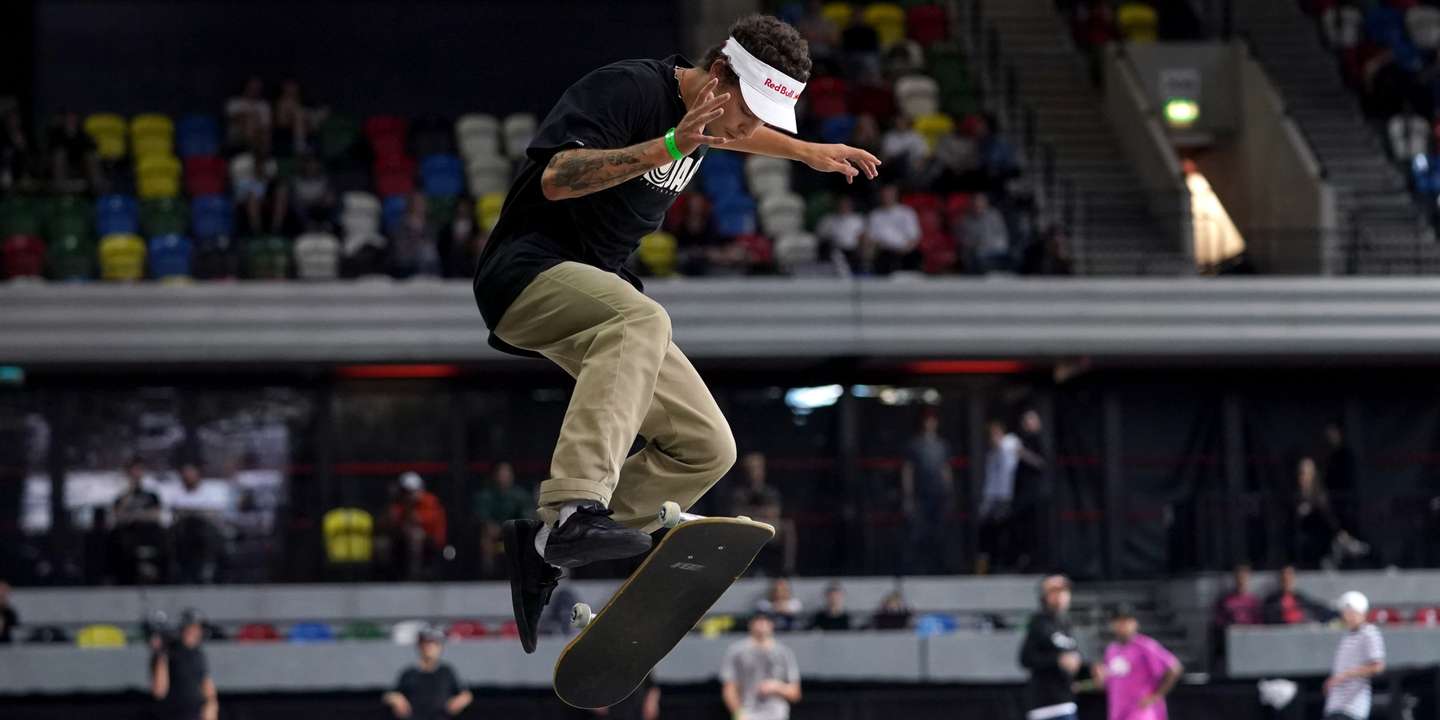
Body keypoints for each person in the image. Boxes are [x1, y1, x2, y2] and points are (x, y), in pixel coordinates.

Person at [482, 14, 879, 654]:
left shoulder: (709, 116)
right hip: (529, 272)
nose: (742, 134)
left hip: (598, 298)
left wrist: (805, 151)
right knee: (643, 316)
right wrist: (667, 146)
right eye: (742, 117)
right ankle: (573, 508)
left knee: (705, 448)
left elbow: (733, 134)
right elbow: (557, 178)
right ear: (718, 75)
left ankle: (543, 551)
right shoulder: (630, 90)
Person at [1020, 574, 1090, 720]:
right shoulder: (1039, 622)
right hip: (1045, 704)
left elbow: (1072, 660)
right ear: (1045, 595)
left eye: (1064, 592)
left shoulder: (1066, 624)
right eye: (1055, 591)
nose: (1060, 596)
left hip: (1065, 701)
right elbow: (1025, 658)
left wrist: (1088, 671)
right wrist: (1057, 660)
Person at [1095, 604, 1182, 720]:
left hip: (1141, 713)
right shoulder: (1111, 649)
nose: (1122, 625)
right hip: (1118, 712)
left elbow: (1174, 668)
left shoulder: (1145, 645)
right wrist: (1100, 679)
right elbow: (1109, 682)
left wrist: (1156, 696)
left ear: (1135, 623)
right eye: (1118, 621)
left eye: (1126, 621)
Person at [900, 410, 955, 574]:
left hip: (938, 494)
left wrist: (950, 491)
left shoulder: (942, 445)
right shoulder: (914, 444)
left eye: (932, 421)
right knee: (918, 531)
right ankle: (917, 566)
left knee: (939, 531)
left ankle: (938, 565)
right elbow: (907, 470)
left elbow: (946, 469)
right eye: (927, 421)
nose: (929, 424)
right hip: (920, 494)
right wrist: (908, 495)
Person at [721, 613, 802, 720]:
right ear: (750, 625)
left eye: (765, 621)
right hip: (748, 714)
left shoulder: (784, 653)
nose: (762, 625)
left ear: (771, 625)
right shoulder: (737, 652)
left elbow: (795, 693)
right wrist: (738, 714)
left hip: (777, 715)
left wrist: (777, 687)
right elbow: (729, 689)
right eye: (758, 621)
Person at [382, 626, 473, 720]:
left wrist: (461, 700)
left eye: (434, 643)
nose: (430, 647)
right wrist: (396, 698)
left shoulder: (447, 672)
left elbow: (465, 694)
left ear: (440, 647)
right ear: (419, 646)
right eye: (426, 643)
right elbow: (389, 695)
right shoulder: (409, 673)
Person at [1324, 591, 1386, 720]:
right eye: (1345, 612)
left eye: (1350, 612)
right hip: (1336, 705)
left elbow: (1377, 666)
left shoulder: (1369, 633)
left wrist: (1345, 675)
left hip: (1352, 707)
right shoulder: (1347, 636)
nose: (1347, 616)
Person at [731, 452, 795, 576]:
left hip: (767, 524)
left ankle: (788, 569)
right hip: (746, 526)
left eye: (757, 468)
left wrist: (754, 511)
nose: (754, 473)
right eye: (751, 469)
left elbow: (775, 512)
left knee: (788, 526)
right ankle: (740, 571)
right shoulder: (739, 491)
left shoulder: (770, 491)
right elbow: (735, 513)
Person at [150, 609, 218, 720]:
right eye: (191, 627)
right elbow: (159, 691)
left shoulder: (198, 654)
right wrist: (161, 655)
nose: (195, 631)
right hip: (172, 714)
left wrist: (211, 705)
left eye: (197, 628)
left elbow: (206, 684)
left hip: (196, 714)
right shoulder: (169, 652)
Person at [111, 457, 168, 584]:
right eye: (133, 471)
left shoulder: (151, 495)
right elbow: (118, 516)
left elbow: (156, 514)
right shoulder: (122, 497)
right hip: (129, 531)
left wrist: (135, 515)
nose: (136, 474)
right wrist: (129, 495)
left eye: (139, 470)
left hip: (149, 531)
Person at [474, 461, 534, 578]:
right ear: (495, 476)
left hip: (514, 531)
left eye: (507, 473)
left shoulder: (520, 495)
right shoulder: (486, 495)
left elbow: (527, 515)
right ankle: (488, 571)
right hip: (494, 533)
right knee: (486, 533)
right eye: (501, 474)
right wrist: (490, 525)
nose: (504, 477)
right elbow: (482, 515)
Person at [979, 420, 1021, 573]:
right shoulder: (991, 454)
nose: (992, 439)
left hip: (1007, 495)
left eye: (994, 435)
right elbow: (990, 479)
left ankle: (1007, 562)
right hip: (993, 496)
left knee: (1005, 529)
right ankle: (991, 562)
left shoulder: (1010, 443)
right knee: (989, 530)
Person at [388, 472, 448, 580]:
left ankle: (415, 573)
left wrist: (411, 510)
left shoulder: (430, 501)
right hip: (403, 543)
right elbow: (393, 521)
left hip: (431, 541)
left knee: (416, 535)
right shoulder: (400, 503)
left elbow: (428, 521)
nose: (408, 494)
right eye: (405, 491)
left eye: (410, 491)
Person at [865, 184, 920, 274]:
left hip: (905, 253)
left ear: (895, 195)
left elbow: (914, 237)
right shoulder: (875, 215)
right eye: (885, 194)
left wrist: (904, 250)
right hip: (883, 253)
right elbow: (871, 238)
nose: (887, 197)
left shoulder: (907, 212)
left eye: (890, 194)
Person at [958, 193, 1011, 274]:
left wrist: (987, 245)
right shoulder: (966, 220)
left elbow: (1001, 237)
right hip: (975, 253)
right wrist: (973, 245)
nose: (978, 205)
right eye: (975, 203)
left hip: (994, 252)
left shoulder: (994, 216)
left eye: (980, 202)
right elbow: (963, 239)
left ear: (986, 203)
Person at [1262, 564, 1332, 625]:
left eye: (1290, 578)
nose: (1287, 581)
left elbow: (1316, 608)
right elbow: (1270, 619)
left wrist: (1337, 613)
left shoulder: (1300, 598)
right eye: (1284, 578)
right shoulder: (1271, 600)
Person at [814, 194, 866, 272]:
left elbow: (861, 237)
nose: (844, 207)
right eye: (842, 204)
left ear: (851, 206)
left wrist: (861, 251)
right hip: (835, 250)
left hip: (851, 251)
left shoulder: (857, 219)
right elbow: (822, 236)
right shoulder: (830, 220)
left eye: (846, 204)